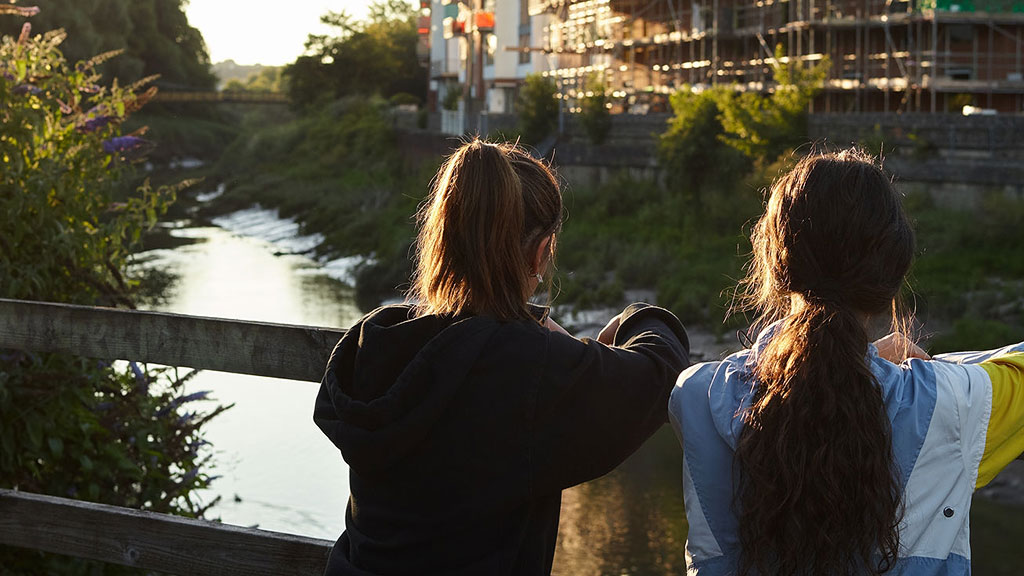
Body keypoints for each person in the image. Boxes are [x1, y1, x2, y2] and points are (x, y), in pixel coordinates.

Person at [314, 139, 690, 575]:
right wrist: (637, 318)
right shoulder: (524, 366)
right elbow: (661, 371)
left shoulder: (376, 340)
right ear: (540, 251)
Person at [669, 149, 1024, 576]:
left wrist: (866, 359)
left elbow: (811, 376)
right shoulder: (952, 405)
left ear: (774, 261)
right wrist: (872, 360)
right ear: (893, 270)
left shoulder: (697, 397)